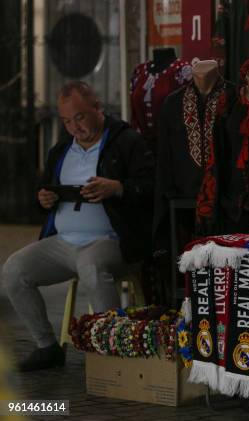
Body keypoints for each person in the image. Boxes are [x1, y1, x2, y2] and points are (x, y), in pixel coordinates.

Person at [2, 81, 154, 372]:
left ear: (98, 108)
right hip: (64, 241)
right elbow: (45, 193)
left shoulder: (126, 142)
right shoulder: (60, 151)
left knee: (90, 264)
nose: (74, 127)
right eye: (66, 121)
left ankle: (112, 350)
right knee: (14, 269)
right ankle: (46, 346)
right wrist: (43, 199)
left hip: (114, 239)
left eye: (80, 117)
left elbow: (151, 187)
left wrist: (118, 188)